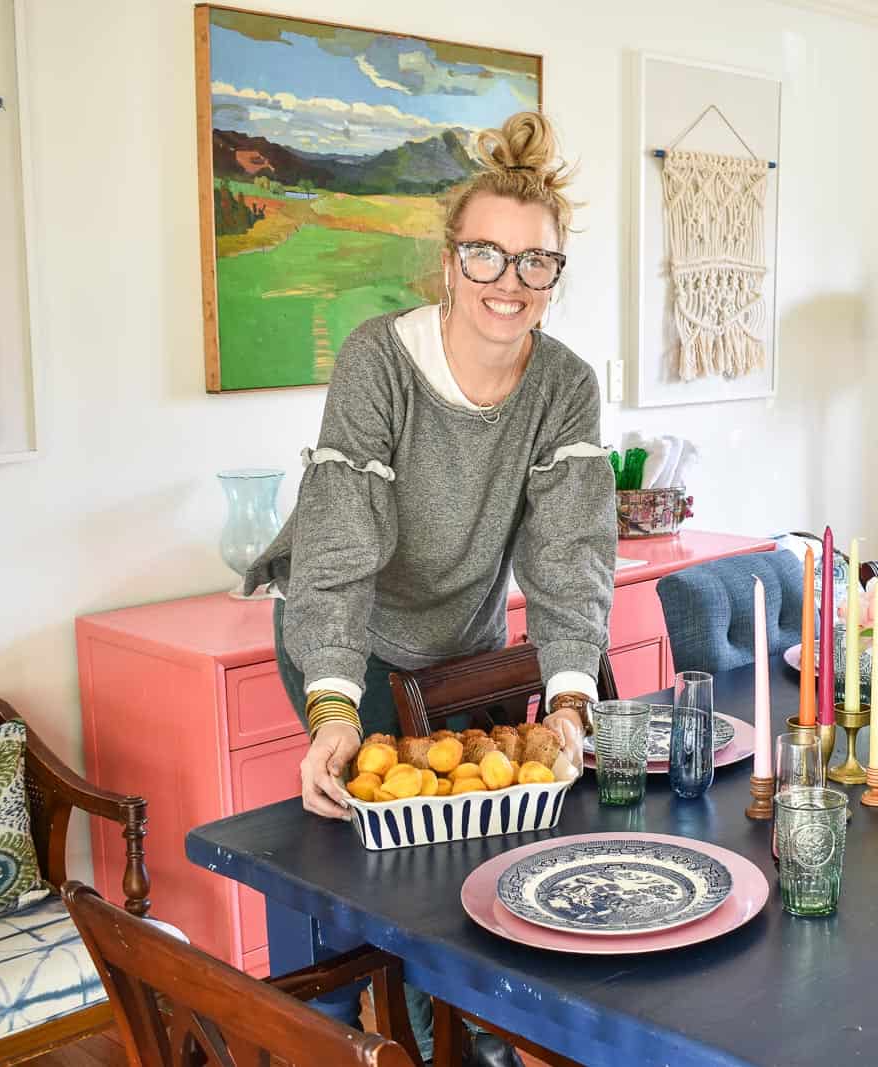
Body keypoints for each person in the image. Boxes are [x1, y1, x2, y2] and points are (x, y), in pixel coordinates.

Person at [244, 110, 614, 1066]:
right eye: (486, 257)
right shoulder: (380, 362)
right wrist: (333, 707)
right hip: (345, 630)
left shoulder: (566, 384)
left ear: (555, 277)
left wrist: (573, 698)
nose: (509, 283)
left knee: (483, 840)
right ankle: (388, 1042)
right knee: (388, 854)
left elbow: (571, 554)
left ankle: (474, 1027)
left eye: (536, 263)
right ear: (450, 263)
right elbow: (336, 551)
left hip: (462, 636)